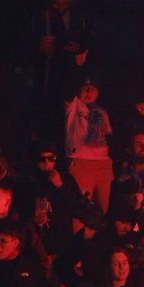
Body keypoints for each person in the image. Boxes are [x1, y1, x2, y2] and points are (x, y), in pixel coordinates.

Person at [64, 73, 114, 212]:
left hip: (104, 163)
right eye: (85, 88)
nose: (89, 92)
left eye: (93, 89)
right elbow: (67, 89)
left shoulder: (102, 112)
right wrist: (77, 68)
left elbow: (109, 136)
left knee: (104, 207)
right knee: (81, 207)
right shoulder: (74, 106)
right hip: (81, 161)